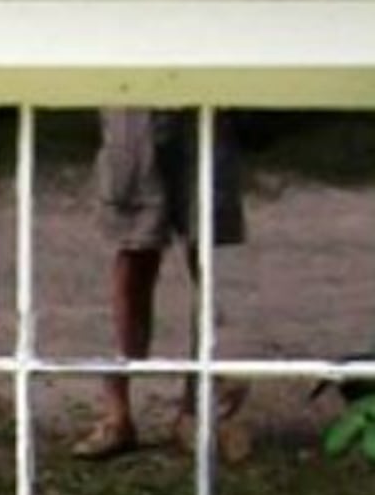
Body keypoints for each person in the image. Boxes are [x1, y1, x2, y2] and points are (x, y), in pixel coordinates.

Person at [72, 108, 248, 460]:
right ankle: (117, 414)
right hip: (135, 93)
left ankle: (194, 411)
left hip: (206, 90)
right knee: (136, 247)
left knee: (206, 252)